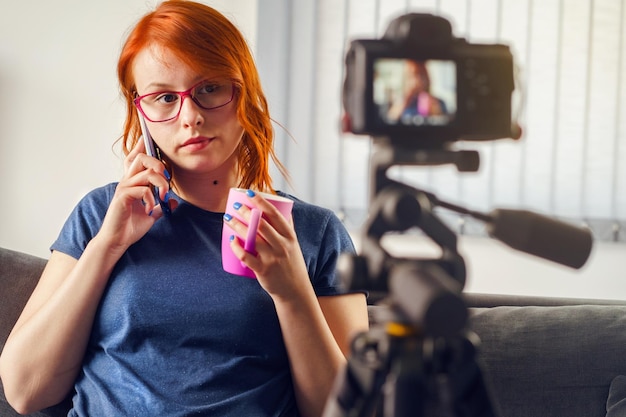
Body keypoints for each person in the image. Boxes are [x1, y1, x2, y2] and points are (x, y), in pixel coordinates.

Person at [0, 2, 369, 416]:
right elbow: (24, 390)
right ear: (140, 113)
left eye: (209, 88)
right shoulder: (101, 214)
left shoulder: (314, 232)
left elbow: (349, 411)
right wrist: (107, 246)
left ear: (242, 91)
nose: (189, 117)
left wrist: (292, 292)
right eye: (163, 98)